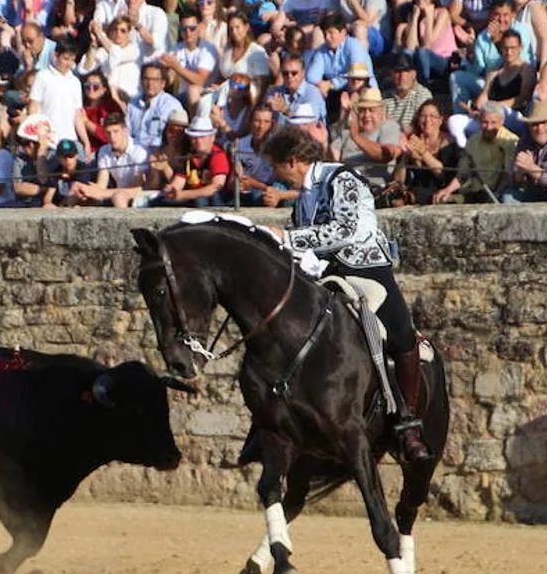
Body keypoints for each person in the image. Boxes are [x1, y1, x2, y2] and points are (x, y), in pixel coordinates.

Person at [259, 125, 430, 460]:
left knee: (400, 333)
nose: (275, 176)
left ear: (292, 161)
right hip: (323, 274)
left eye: (276, 168)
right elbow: (306, 235)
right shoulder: (306, 194)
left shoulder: (342, 178)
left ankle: (409, 423)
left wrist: (288, 238)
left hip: (365, 268)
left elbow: (348, 230)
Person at [157, 115, 229, 206]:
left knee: (201, 201)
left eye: (202, 137)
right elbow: (178, 181)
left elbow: (216, 187)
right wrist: (171, 190)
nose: (198, 140)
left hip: (214, 202)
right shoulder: (188, 157)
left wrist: (183, 195)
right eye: (194, 137)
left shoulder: (218, 155)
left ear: (212, 137)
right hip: (193, 199)